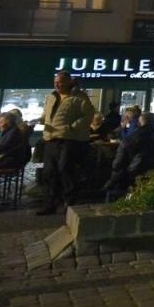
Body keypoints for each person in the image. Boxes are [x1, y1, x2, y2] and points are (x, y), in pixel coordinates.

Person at [36, 70, 94, 215]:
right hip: (50, 138)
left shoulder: (79, 97)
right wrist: (41, 120)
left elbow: (88, 115)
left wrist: (71, 127)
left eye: (60, 82)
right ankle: (50, 202)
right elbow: (47, 114)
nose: (56, 84)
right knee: (49, 172)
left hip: (68, 139)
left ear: (68, 82)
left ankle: (69, 201)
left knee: (65, 170)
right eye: (55, 82)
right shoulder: (51, 97)